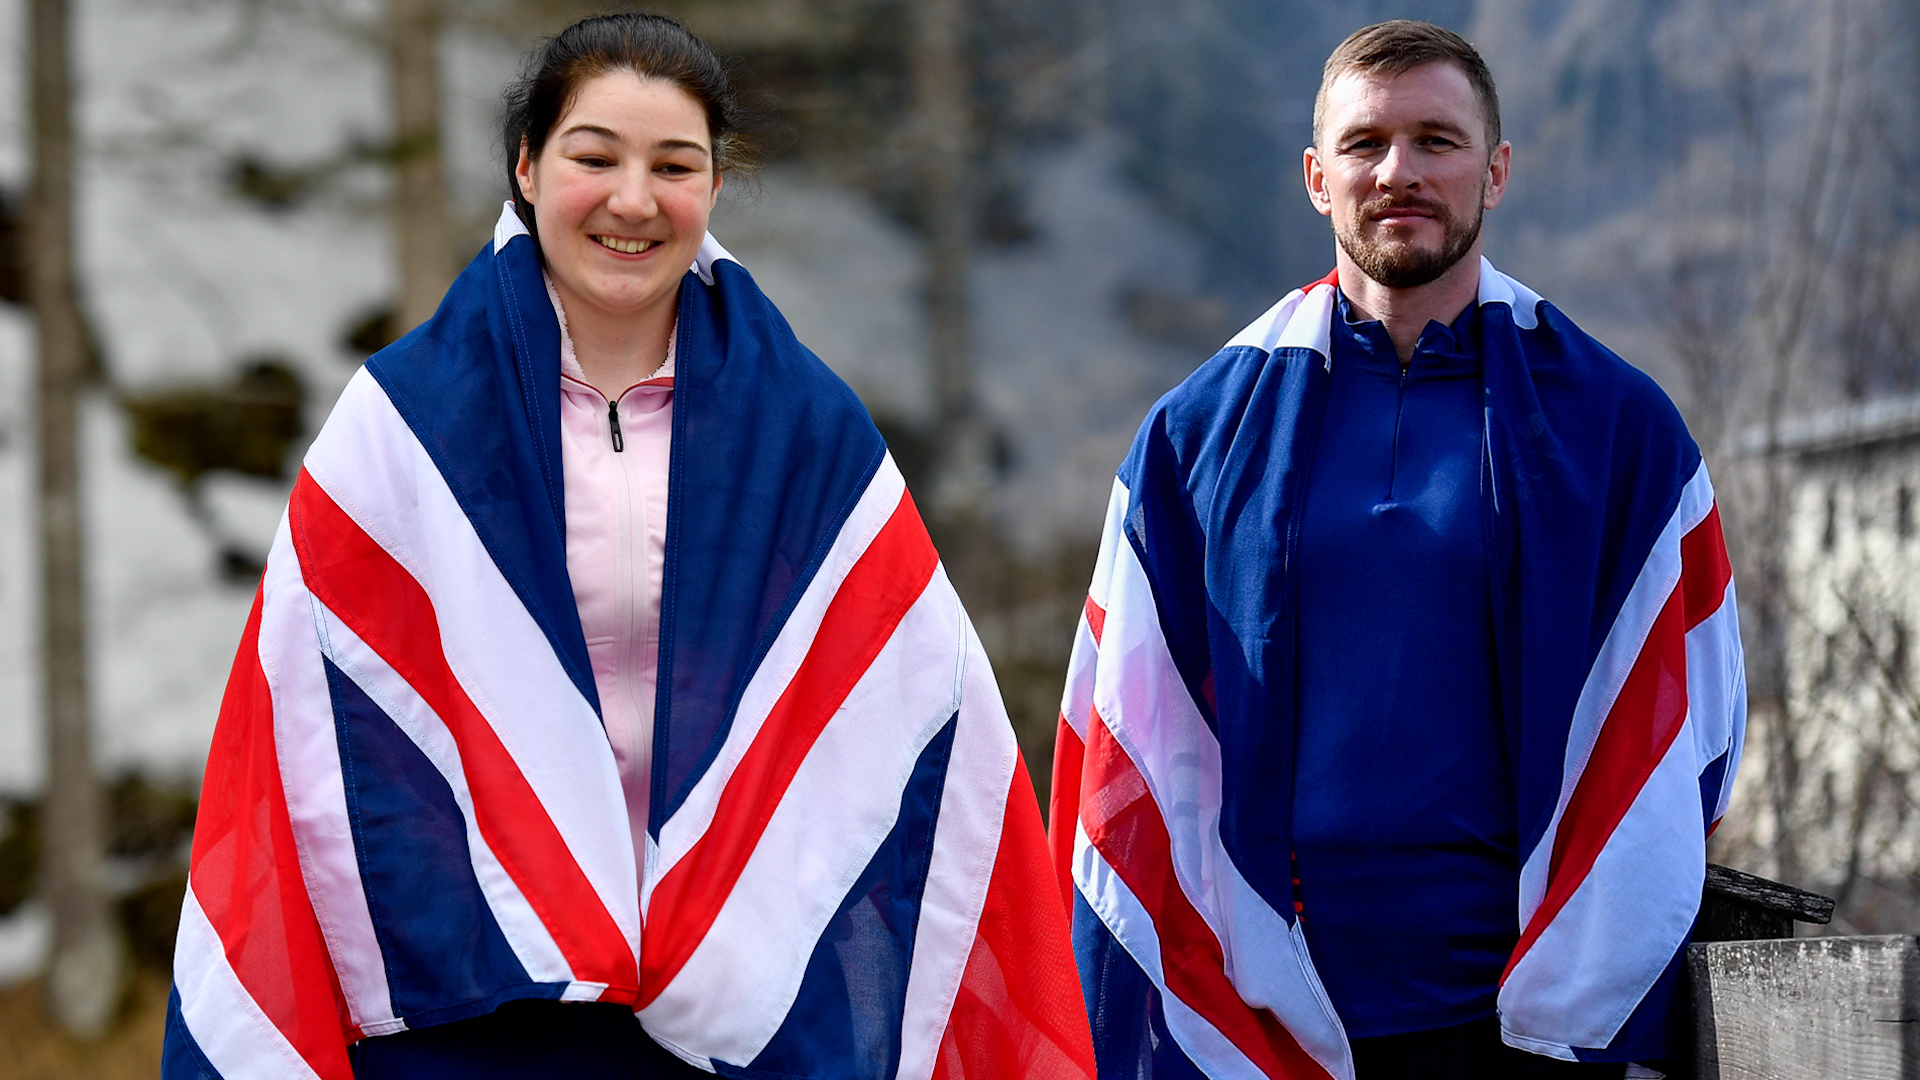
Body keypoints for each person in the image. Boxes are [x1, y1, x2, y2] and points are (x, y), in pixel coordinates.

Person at [161, 14, 1093, 1080]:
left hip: (738, 1012)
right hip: (472, 1000)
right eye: (595, 158)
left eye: (674, 166)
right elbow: (304, 725)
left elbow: (917, 708)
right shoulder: (403, 425)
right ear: (527, 166)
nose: (634, 201)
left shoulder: (805, 428)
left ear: (716, 186)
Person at [1049, 20, 1745, 1080]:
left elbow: (1697, 726)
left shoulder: (1617, 430)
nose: (1398, 172)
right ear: (1316, 177)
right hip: (1259, 1025)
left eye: (1437, 140)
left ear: (1496, 171)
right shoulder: (1194, 439)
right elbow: (1122, 739)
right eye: (1366, 144)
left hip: (1524, 1028)